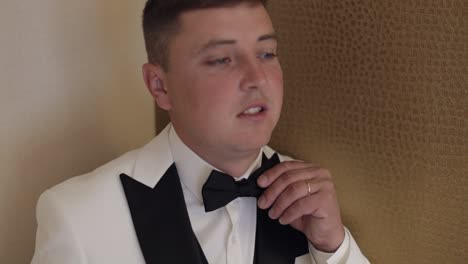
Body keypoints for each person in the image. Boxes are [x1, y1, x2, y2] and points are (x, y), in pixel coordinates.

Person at [31, 1, 370, 263]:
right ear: (160, 85)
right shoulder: (77, 217)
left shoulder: (312, 205)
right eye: (222, 59)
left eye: (266, 53)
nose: (257, 78)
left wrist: (333, 248)